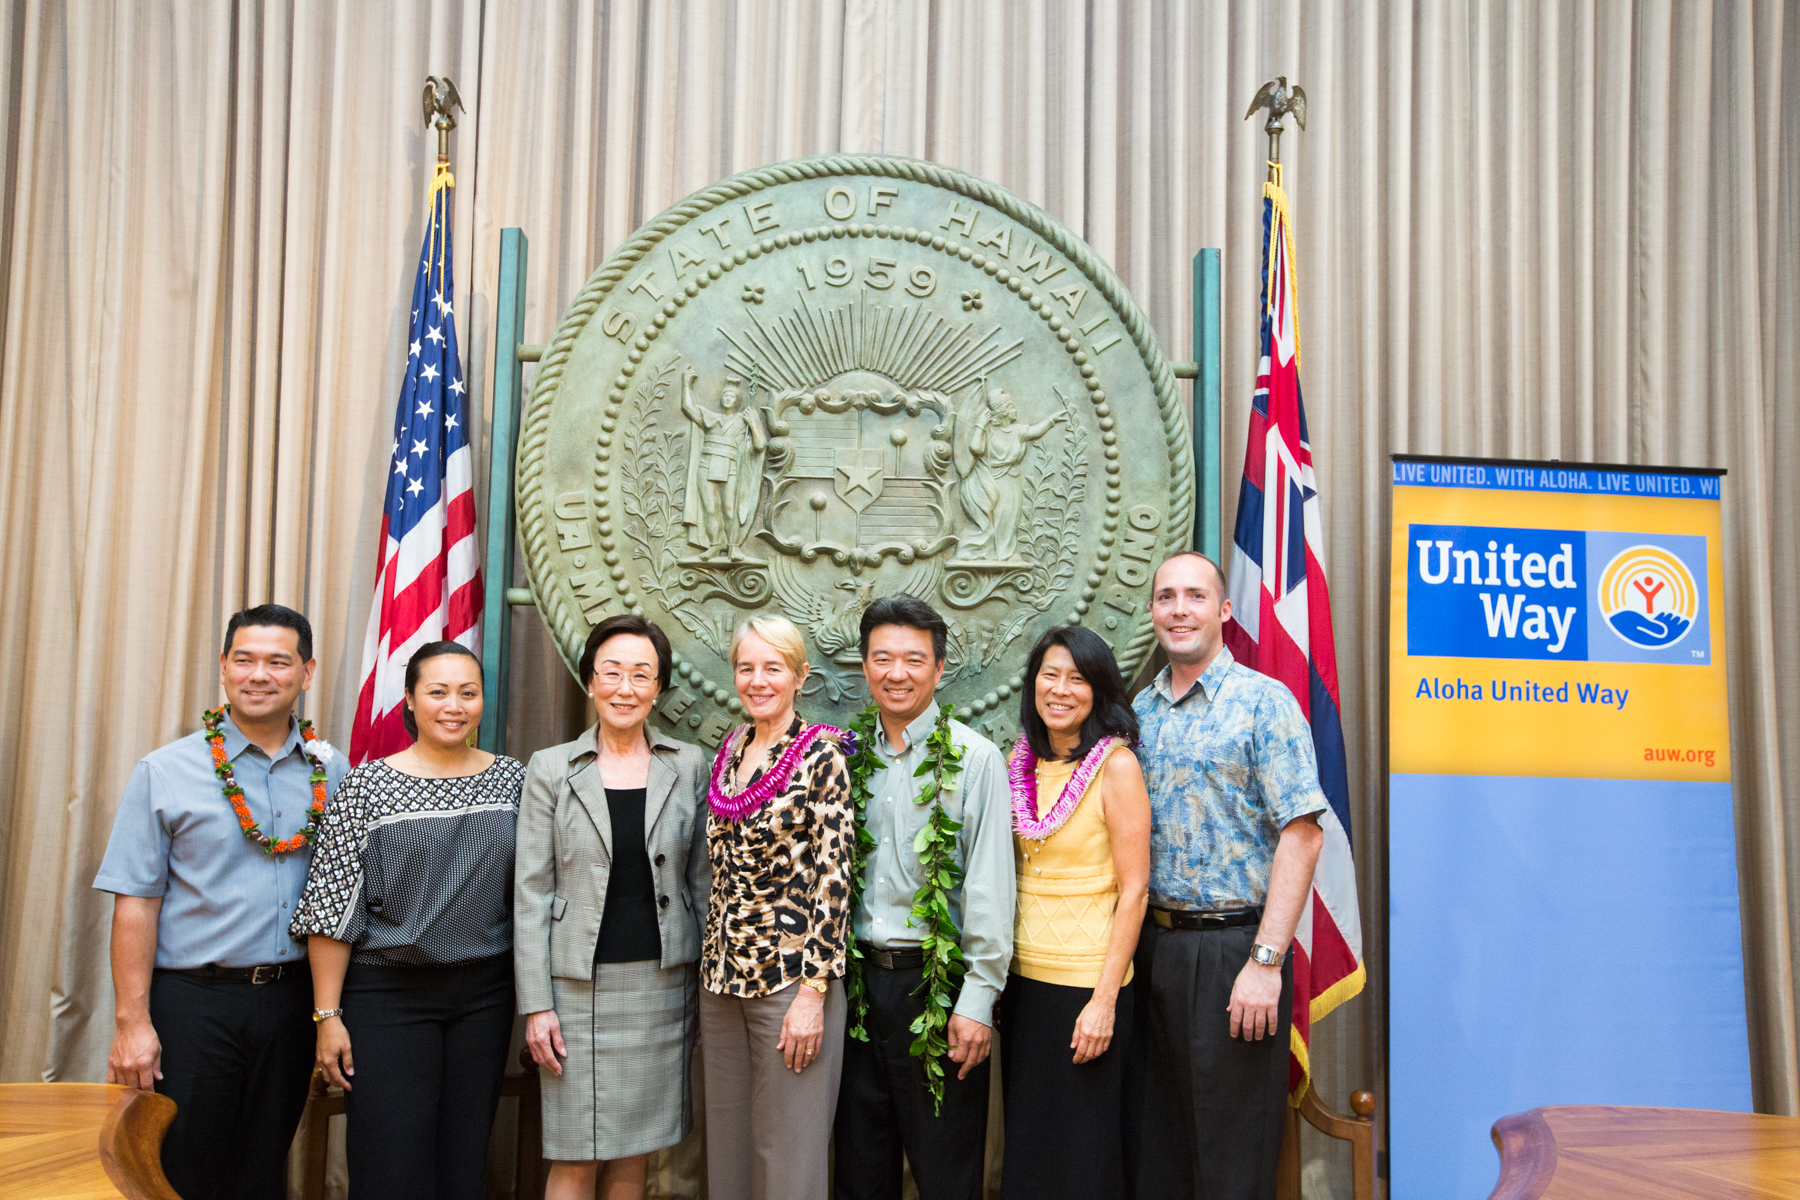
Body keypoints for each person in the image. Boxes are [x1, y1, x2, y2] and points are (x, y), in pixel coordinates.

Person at [94, 604, 349, 1200]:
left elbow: (343, 895)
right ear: (223, 667)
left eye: (278, 662)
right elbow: (136, 904)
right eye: (244, 660)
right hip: (195, 1005)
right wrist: (132, 1024)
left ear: (307, 673)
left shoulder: (331, 771)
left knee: (262, 1171)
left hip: (290, 1003)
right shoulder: (165, 771)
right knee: (183, 1170)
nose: (259, 675)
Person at [291, 641, 524, 1200]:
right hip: (388, 997)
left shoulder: (514, 781)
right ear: (411, 701)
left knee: (463, 1160)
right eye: (438, 692)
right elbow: (330, 908)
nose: (454, 706)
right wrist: (328, 1016)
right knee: (390, 1164)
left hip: (485, 996)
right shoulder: (366, 787)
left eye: (468, 693)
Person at [1129, 552, 1327, 1200]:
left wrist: (1266, 962)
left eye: (1194, 596)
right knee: (1157, 1160)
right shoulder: (1140, 712)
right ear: (1152, 611)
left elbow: (1303, 833)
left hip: (1234, 954)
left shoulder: (1264, 703)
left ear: (1224, 610)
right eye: (1166, 597)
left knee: (1230, 1165)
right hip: (1153, 951)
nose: (1179, 609)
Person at [515, 615, 709, 1200]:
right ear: (590, 680)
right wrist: (537, 1005)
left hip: (661, 986)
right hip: (574, 989)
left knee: (635, 1151)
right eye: (613, 673)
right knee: (575, 1155)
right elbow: (531, 892)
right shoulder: (551, 767)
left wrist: (704, 990)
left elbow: (700, 880)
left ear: (659, 687)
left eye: (641, 675)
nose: (626, 688)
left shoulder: (688, 764)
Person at [833, 594, 1014, 1200]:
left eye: (914, 659)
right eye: (882, 658)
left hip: (937, 990)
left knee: (945, 1172)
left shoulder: (975, 759)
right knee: (860, 1170)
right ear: (864, 666)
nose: (897, 673)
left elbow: (989, 888)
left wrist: (977, 1001)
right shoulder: (846, 758)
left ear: (939, 668)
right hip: (857, 993)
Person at [700, 613, 853, 1200]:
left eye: (773, 667)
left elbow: (834, 880)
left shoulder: (821, 757)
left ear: (800, 675)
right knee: (730, 1155)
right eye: (746, 668)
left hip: (790, 985)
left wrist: (813, 994)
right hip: (721, 982)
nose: (758, 680)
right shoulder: (731, 749)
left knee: (789, 1161)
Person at [999, 625, 1150, 1200]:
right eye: (1050, 675)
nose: (1060, 690)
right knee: (1029, 1149)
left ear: (1099, 690)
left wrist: (1103, 1003)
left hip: (1087, 990)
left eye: (1078, 679)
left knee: (1082, 1158)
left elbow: (1135, 891)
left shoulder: (1117, 766)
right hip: (1023, 986)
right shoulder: (1019, 762)